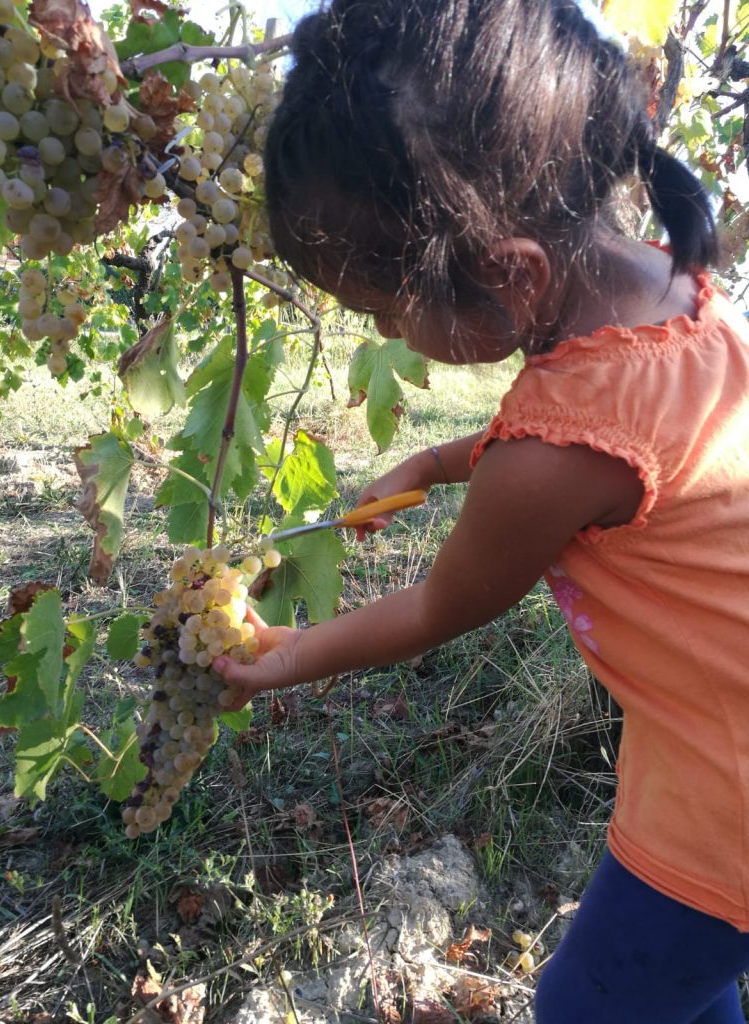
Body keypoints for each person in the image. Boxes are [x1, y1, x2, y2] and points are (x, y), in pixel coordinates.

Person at [213, 1, 749, 1020]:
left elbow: (437, 606)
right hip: (717, 743)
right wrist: (434, 456)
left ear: (512, 272)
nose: (389, 334)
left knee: (588, 1005)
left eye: (384, 310)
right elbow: (603, 448)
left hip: (723, 808)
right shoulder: (677, 293)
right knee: (685, 989)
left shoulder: (555, 441)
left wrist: (275, 656)